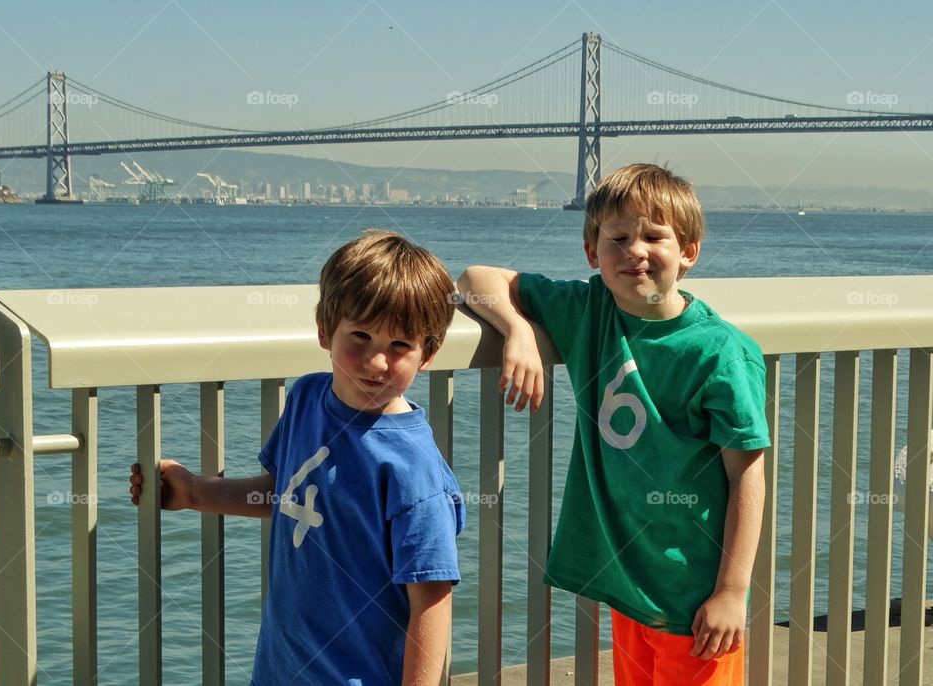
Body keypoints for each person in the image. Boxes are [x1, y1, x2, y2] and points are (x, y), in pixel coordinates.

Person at [457, 163, 769, 685]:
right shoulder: (589, 310)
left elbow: (748, 475)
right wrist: (518, 331)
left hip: (694, 597)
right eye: (617, 237)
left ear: (689, 251)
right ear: (591, 252)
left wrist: (732, 593)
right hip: (628, 587)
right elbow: (474, 280)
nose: (635, 251)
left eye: (654, 236)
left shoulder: (721, 353)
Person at [130, 230, 466, 685]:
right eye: (361, 336)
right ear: (326, 331)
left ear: (429, 353)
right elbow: (285, 492)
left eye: (400, 346)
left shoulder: (413, 472)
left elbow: (432, 598)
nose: (376, 362)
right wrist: (194, 492)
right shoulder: (308, 397)